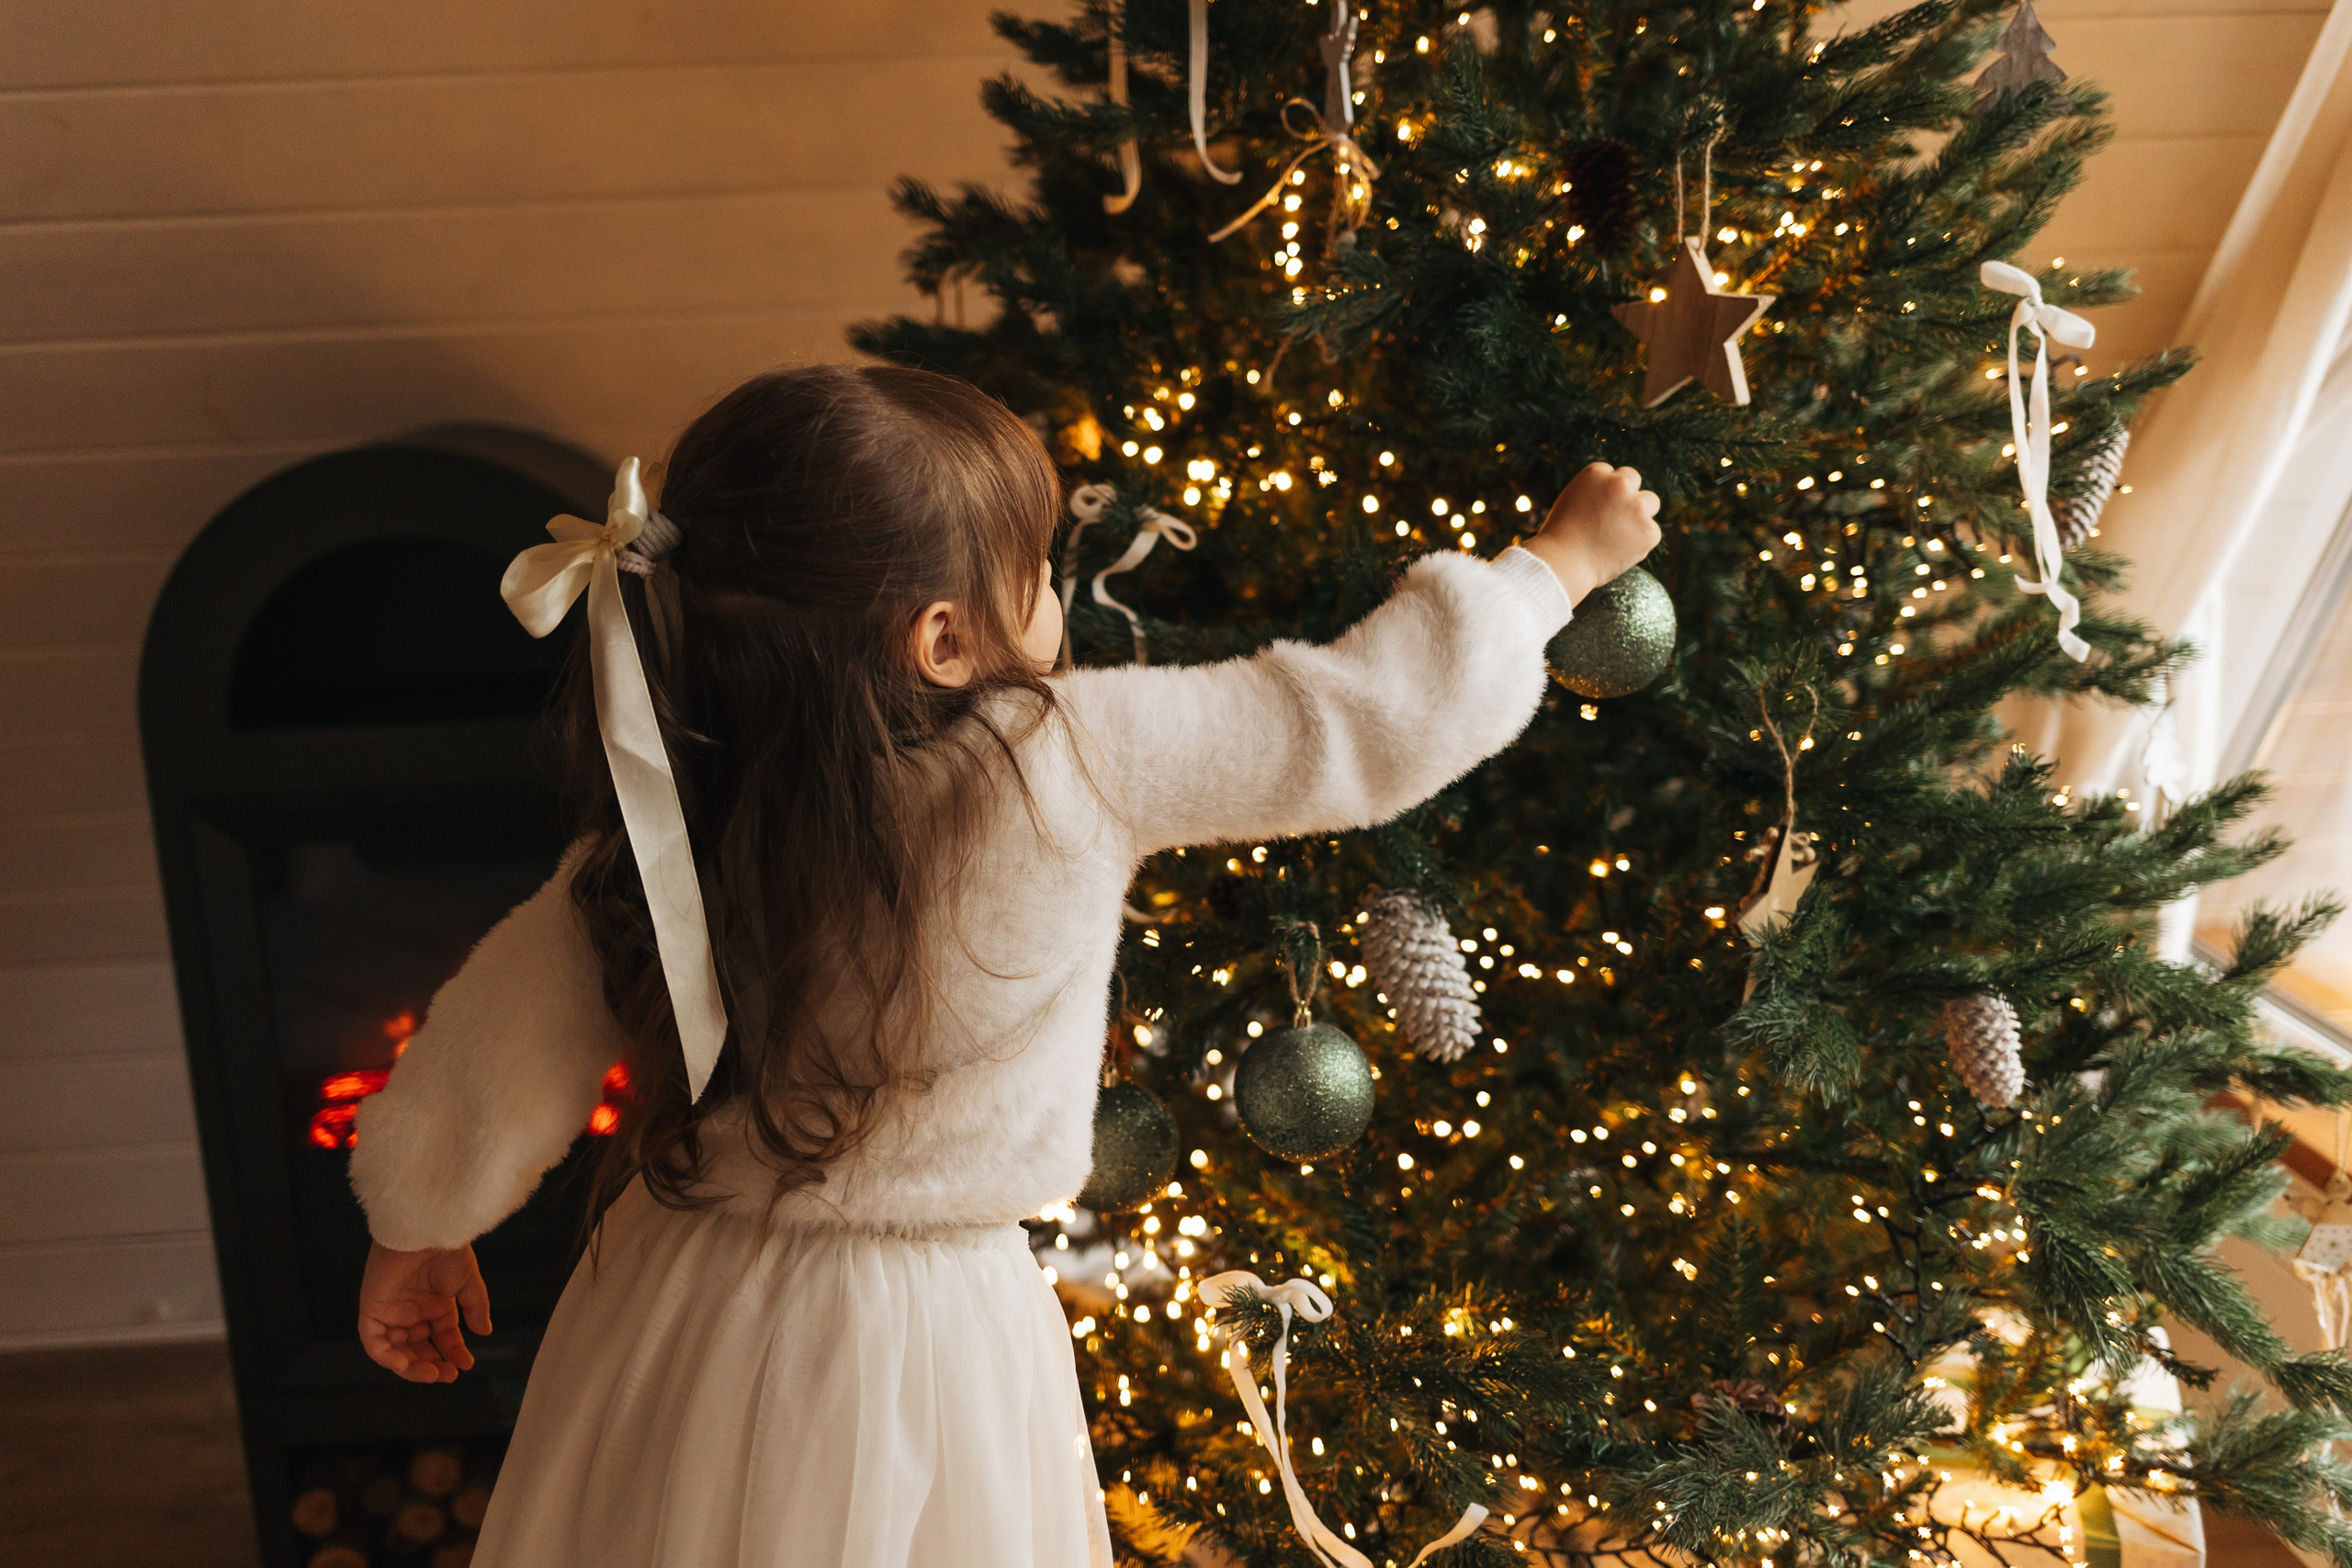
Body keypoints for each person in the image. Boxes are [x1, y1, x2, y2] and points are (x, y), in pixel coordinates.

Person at [348, 364, 1660, 1568]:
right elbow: (1365, 720)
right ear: (940, 640)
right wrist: (1554, 566)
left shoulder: (677, 786)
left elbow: (504, 1034)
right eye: (1034, 572)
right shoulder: (1061, 761)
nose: (1055, 602)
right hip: (913, 1342)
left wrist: (418, 1224)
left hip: (672, 1302)